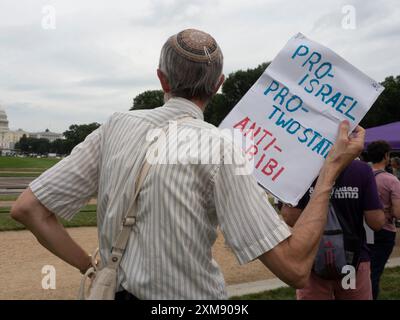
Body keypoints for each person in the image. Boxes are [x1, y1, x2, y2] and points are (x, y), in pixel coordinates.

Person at [11, 28, 365, 300]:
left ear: (161, 79)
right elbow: (295, 267)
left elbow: (29, 208)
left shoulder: (115, 126)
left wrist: (91, 266)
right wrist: (329, 173)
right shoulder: (221, 147)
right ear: (219, 85)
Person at [281, 160, 385, 300]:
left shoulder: (302, 167)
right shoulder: (362, 170)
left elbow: (290, 218)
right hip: (354, 260)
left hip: (312, 258)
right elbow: (376, 222)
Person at [366, 141, 400, 299]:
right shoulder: (391, 180)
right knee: (374, 273)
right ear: (386, 156)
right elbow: (398, 213)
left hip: (362, 229)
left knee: (362, 270)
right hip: (383, 230)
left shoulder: (362, 175)